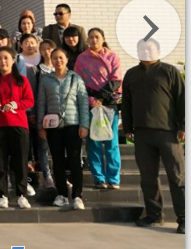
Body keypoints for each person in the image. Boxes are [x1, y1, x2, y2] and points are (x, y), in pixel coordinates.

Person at [122, 38, 185, 233]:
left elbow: (183, 99)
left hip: (169, 133)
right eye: (141, 48)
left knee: (177, 177)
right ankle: (154, 215)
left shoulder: (169, 71)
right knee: (148, 178)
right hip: (142, 134)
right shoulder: (131, 74)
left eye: (149, 48)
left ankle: (184, 218)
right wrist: (128, 128)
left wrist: (184, 126)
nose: (146, 51)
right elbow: (126, 103)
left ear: (158, 50)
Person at [36, 48, 90, 210]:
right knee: (57, 160)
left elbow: (83, 103)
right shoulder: (46, 80)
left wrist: (84, 125)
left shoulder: (76, 78)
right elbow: (41, 103)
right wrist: (40, 125)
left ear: (66, 59)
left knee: (74, 160)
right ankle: (61, 194)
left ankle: (77, 195)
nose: (57, 61)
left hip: (73, 125)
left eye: (60, 57)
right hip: (53, 127)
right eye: (54, 58)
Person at [0, 47, 35, 209]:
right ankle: (2, 195)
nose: (3, 61)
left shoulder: (22, 80)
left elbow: (30, 100)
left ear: (13, 60)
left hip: (19, 125)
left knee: (20, 162)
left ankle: (21, 195)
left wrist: (15, 104)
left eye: (6, 58)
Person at [74, 28, 122, 189]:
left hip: (109, 104)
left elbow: (116, 80)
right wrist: (92, 99)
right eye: (91, 37)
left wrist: (101, 98)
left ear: (103, 38)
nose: (94, 40)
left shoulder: (112, 56)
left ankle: (113, 178)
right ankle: (99, 178)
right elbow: (79, 82)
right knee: (93, 142)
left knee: (111, 142)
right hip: (90, 104)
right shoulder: (82, 59)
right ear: (87, 40)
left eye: (97, 37)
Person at [26, 39, 56, 189]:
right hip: (42, 113)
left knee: (57, 147)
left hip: (59, 114)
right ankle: (47, 175)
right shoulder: (35, 70)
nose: (46, 51)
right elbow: (31, 92)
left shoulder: (61, 69)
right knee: (43, 147)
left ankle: (59, 175)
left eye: (49, 48)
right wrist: (32, 112)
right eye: (43, 49)